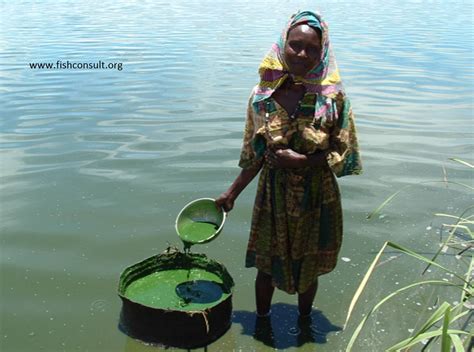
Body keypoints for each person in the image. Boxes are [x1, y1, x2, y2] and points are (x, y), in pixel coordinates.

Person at [215, 10, 362, 318]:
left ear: (322, 52)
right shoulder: (263, 95)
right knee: (266, 267)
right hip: (273, 195)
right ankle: (262, 322)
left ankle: (305, 322)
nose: (302, 54)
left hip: (316, 195)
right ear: (283, 44)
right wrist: (231, 193)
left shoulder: (332, 99)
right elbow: (255, 154)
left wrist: (304, 161)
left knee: (309, 270)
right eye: (296, 44)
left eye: (312, 48)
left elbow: (343, 151)